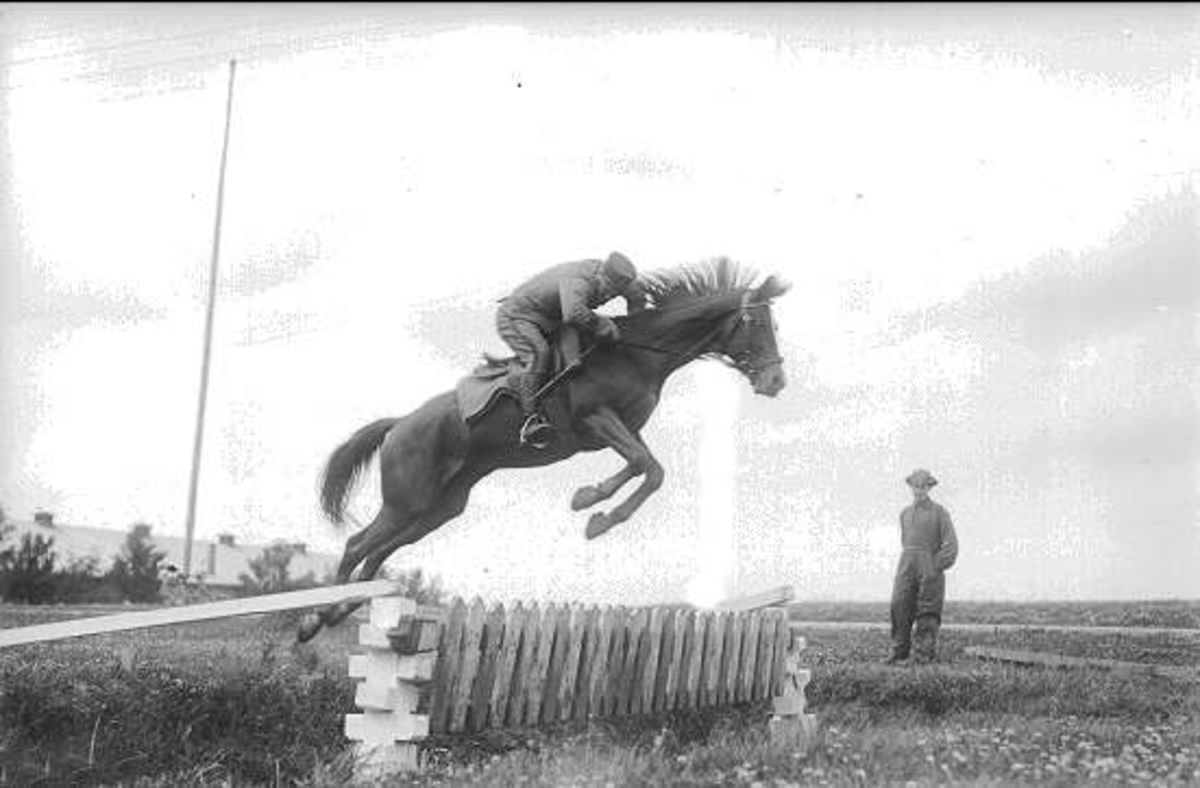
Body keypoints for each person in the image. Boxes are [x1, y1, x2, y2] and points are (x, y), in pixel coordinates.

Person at [495, 252, 647, 447]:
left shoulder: (620, 277)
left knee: (575, 361)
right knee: (540, 353)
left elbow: (637, 297)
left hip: (554, 317)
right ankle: (530, 419)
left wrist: (635, 324)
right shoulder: (579, 280)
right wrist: (601, 324)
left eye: (614, 293)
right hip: (519, 316)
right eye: (607, 289)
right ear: (601, 275)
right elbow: (573, 313)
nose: (608, 296)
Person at [886, 468, 959, 664]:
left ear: (929, 488)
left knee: (927, 610)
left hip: (930, 566)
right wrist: (910, 560)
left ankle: (923, 655)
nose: (919, 490)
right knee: (899, 605)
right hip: (907, 563)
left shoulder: (940, 512)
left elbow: (951, 544)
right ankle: (899, 652)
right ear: (911, 487)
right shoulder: (905, 513)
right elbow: (905, 541)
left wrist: (935, 565)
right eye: (915, 486)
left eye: (923, 486)